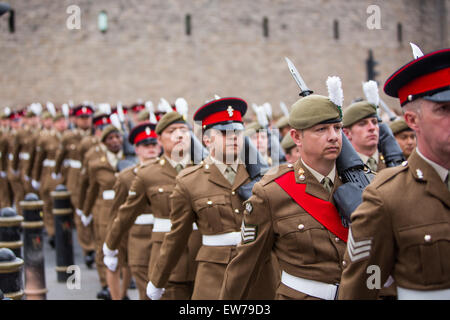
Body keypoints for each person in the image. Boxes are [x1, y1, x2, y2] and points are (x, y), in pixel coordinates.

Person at [338, 47, 450, 299]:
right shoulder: (386, 197)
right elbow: (362, 287)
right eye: (443, 110)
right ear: (412, 119)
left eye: (374, 123)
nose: (372, 129)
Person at [219, 89, 348, 300]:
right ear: (296, 137)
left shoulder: (364, 184)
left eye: (337, 128)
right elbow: (245, 265)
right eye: (321, 129)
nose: (333, 136)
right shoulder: (272, 192)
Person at [147, 97, 277, 300]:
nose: (234, 137)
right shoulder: (189, 181)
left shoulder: (263, 175)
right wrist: (157, 281)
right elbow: (176, 237)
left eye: (238, 132)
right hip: (214, 277)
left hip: (260, 274)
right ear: (207, 140)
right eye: (225, 133)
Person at [119, 112, 201, 300]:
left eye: (184, 130)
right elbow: (125, 215)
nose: (179, 135)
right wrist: (112, 247)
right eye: (172, 131)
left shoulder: (202, 170)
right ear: (160, 140)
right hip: (162, 252)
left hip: (201, 257)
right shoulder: (147, 174)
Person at [103, 121, 161, 300]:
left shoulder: (171, 174)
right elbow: (117, 214)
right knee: (146, 292)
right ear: (136, 149)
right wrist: (111, 245)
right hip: (140, 239)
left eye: (153, 145)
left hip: (165, 238)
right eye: (145, 146)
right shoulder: (126, 177)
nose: (150, 149)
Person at [82, 124, 125, 300]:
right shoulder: (96, 165)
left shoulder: (130, 159)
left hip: (124, 208)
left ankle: (122, 282)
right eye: (110, 138)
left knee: (123, 245)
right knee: (104, 246)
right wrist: (85, 211)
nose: (115, 141)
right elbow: (91, 189)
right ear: (104, 142)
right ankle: (105, 284)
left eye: (117, 137)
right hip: (104, 210)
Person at [31, 112, 68, 247]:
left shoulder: (70, 137)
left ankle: (64, 231)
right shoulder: (46, 138)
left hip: (66, 174)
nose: (62, 124)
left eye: (64, 121)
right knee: (49, 205)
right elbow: (38, 160)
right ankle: (52, 232)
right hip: (49, 175)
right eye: (59, 121)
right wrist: (35, 177)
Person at [342, 101, 386, 173]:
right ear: (347, 133)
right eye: (362, 124)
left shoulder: (392, 160)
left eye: (374, 122)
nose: (372, 128)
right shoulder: (343, 167)